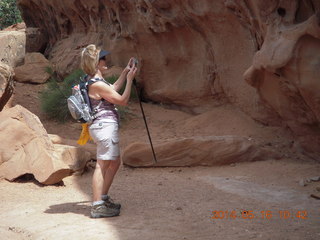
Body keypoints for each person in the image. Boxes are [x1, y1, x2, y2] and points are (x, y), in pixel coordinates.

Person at [80, 44, 137, 218]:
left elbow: (111, 89)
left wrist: (125, 72)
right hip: (104, 128)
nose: (106, 60)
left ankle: (102, 198)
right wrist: (130, 81)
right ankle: (97, 205)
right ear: (96, 63)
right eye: (103, 58)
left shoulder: (94, 80)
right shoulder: (97, 84)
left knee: (114, 162)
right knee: (102, 164)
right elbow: (122, 100)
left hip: (102, 127)